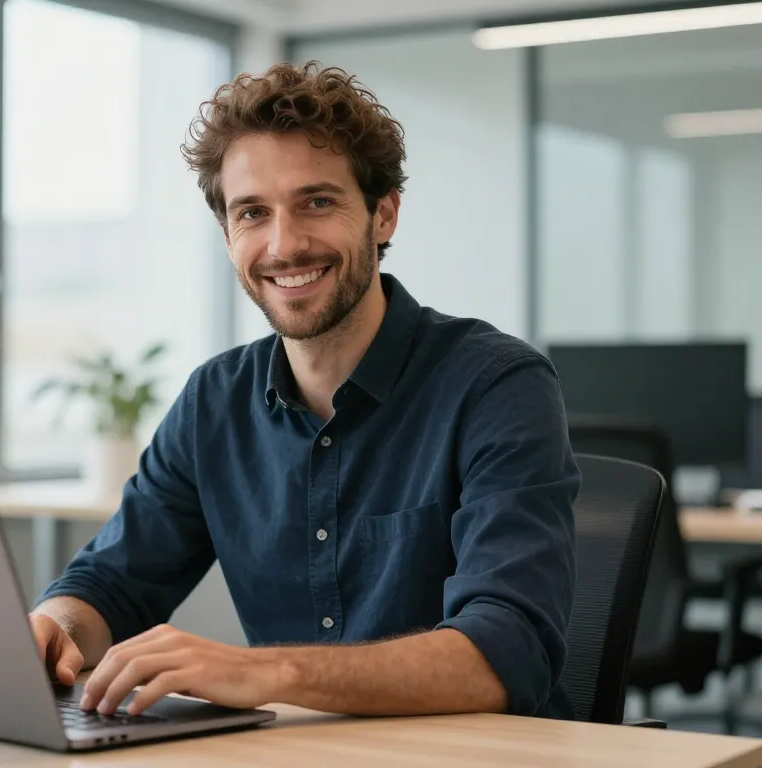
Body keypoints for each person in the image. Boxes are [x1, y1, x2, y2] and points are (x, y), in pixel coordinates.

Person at [29, 61, 579, 721]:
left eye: (317, 202)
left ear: (383, 214)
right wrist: (55, 624)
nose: (284, 244)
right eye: (253, 213)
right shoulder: (214, 401)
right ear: (229, 234)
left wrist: (265, 671)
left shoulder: (495, 384)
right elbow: (111, 584)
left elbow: (507, 653)